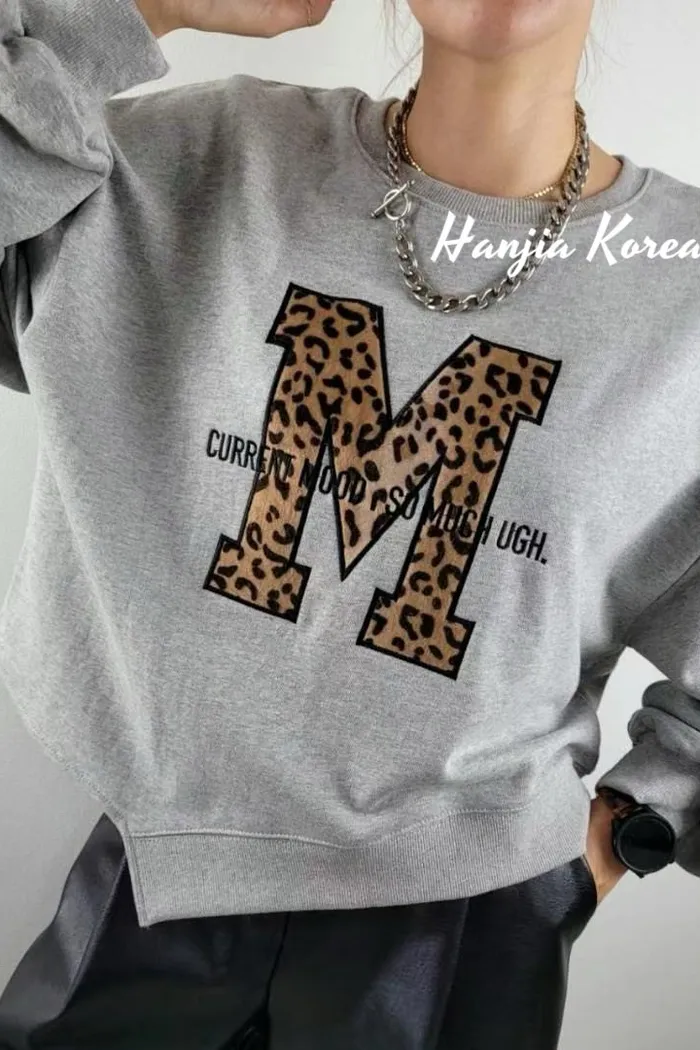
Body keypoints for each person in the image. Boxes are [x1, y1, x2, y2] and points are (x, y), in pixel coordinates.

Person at [0, 0, 698, 1046]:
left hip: (463, 923)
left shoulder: (682, 291)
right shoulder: (184, 163)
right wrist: (140, 5)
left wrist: (631, 830)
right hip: (140, 864)